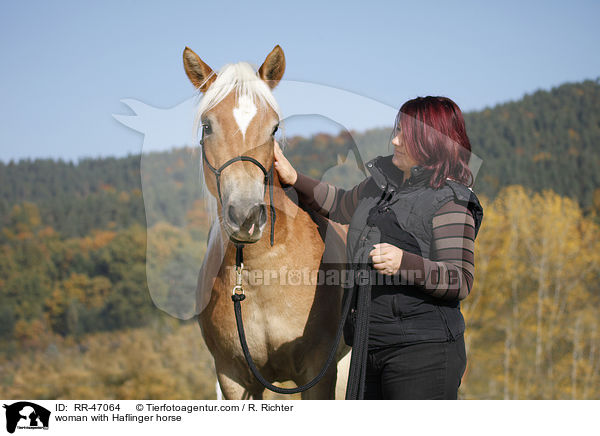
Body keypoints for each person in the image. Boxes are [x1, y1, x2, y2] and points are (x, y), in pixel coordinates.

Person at [273, 96, 484, 400]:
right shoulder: (380, 186)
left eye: (405, 135)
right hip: (369, 347)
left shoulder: (451, 200)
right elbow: (340, 204)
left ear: (430, 143)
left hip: (423, 354)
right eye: (396, 130)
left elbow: (459, 279)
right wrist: (293, 178)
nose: (395, 140)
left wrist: (404, 262)